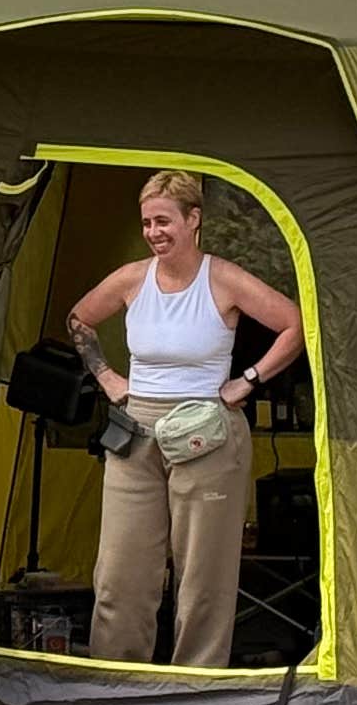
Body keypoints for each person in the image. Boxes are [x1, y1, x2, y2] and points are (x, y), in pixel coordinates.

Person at [67, 169, 304, 666]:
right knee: (120, 571)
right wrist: (108, 379)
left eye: (164, 221)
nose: (154, 233)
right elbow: (79, 318)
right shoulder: (132, 278)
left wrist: (248, 380)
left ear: (194, 220)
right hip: (136, 430)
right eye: (147, 223)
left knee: (203, 574)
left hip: (206, 431)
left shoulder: (223, 278)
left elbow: (296, 324)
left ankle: (193, 682)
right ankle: (116, 678)